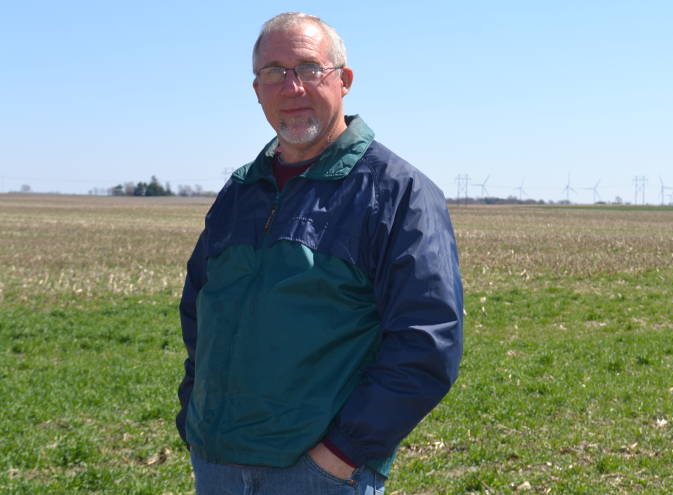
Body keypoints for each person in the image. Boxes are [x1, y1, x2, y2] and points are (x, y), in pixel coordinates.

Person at [175, 12, 463, 494]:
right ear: (257, 89)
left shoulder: (397, 192)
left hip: (316, 475)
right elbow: (199, 315)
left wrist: (340, 455)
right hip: (217, 465)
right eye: (274, 72)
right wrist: (193, 416)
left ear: (344, 80)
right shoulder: (240, 192)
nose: (292, 87)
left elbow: (426, 342)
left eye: (309, 69)